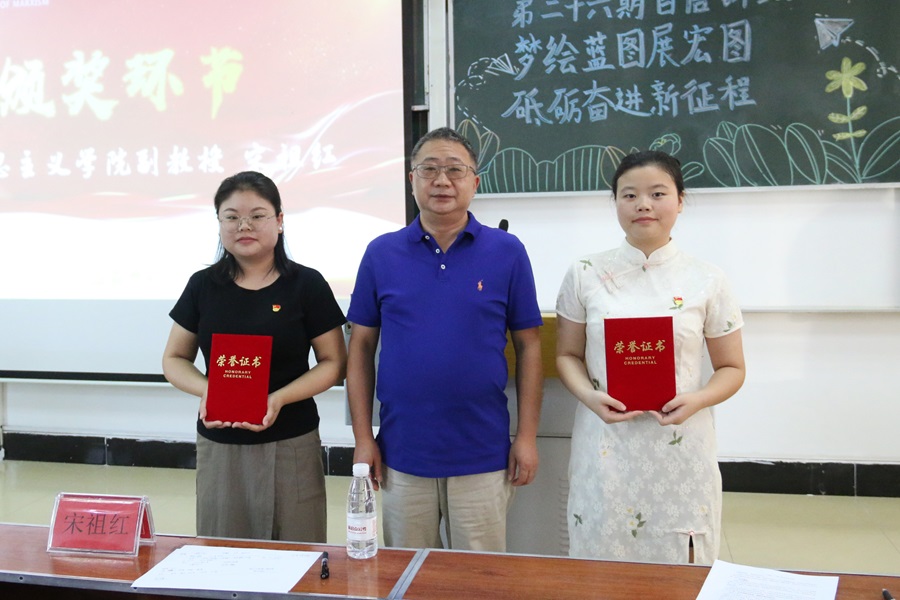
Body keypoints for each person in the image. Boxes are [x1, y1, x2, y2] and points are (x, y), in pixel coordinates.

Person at [346, 127, 543, 552]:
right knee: (408, 572)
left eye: (455, 170)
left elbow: (529, 346)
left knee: (479, 576)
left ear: (475, 181)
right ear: (411, 179)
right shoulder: (381, 253)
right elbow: (360, 348)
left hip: (482, 450)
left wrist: (526, 437)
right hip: (402, 452)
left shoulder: (507, 251)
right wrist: (364, 438)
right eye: (429, 169)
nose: (442, 181)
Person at [555, 150, 746, 565]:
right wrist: (589, 397)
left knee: (680, 563)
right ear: (615, 203)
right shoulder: (584, 272)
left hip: (681, 444)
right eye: (629, 195)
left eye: (657, 193)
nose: (643, 204)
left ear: (680, 200)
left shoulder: (708, 278)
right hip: (606, 444)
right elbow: (567, 355)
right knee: (600, 565)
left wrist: (698, 399)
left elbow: (732, 368)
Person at [162, 171, 347, 542]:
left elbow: (334, 363)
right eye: (231, 217)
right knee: (223, 549)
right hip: (220, 443)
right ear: (219, 224)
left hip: (291, 440)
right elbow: (174, 359)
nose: (243, 226)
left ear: (279, 221)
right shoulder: (203, 285)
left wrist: (278, 399)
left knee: (297, 549)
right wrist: (210, 391)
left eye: (257, 216)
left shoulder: (307, 284)